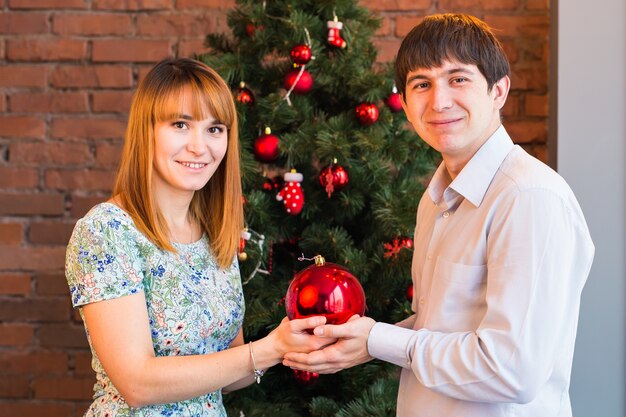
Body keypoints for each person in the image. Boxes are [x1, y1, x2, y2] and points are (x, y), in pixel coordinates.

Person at [283, 13, 594, 417]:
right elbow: (443, 323)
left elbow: (513, 368)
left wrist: (379, 339)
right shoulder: (435, 198)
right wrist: (363, 341)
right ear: (406, 104)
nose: (439, 101)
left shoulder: (527, 197)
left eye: (458, 79)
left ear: (498, 90)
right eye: (421, 84)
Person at [65, 57, 331, 416]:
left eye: (214, 129)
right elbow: (136, 382)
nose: (199, 147)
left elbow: (227, 372)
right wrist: (266, 350)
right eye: (180, 125)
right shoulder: (106, 231)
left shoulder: (214, 233)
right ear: (148, 130)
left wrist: (286, 343)